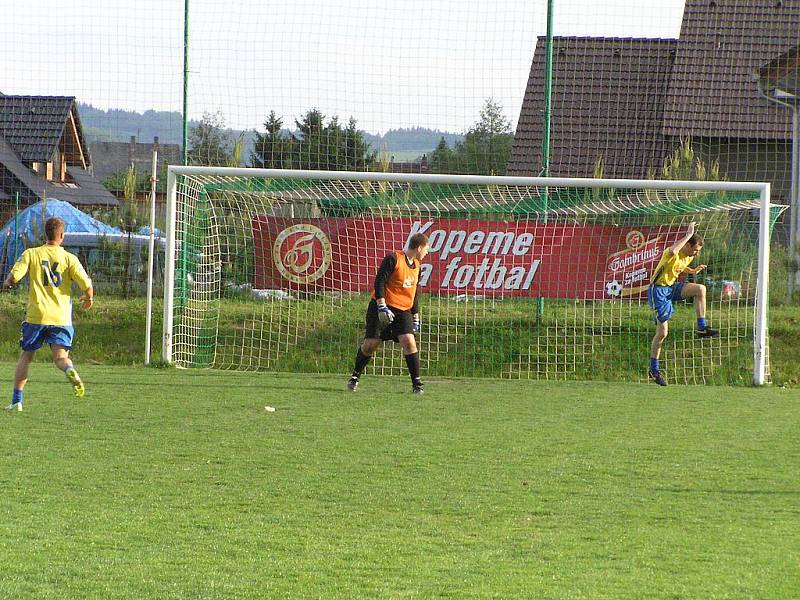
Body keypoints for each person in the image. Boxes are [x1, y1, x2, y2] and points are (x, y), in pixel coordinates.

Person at [3, 217, 94, 411]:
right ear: (62, 235)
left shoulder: (31, 254)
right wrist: (88, 298)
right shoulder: (70, 258)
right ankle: (69, 369)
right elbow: (87, 285)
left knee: (26, 357)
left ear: (46, 234)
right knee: (61, 358)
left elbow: (13, 277)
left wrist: (7, 283)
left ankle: (17, 401)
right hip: (61, 318)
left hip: (36, 316)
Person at [347, 233, 430, 395]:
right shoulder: (393, 259)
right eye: (426, 248)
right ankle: (355, 376)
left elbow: (413, 293)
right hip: (382, 306)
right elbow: (379, 282)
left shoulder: (418, 266)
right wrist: (382, 306)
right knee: (371, 344)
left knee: (409, 342)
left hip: (403, 310)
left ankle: (417, 385)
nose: (427, 252)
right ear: (419, 247)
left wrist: (416, 315)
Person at [647, 221, 718, 386]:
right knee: (663, 333)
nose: (696, 254)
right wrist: (687, 234)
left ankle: (701, 327)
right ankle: (654, 369)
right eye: (695, 249)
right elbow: (673, 251)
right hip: (657, 291)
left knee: (700, 289)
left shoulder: (688, 256)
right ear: (687, 244)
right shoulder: (671, 252)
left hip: (671, 288)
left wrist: (692, 271)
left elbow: (680, 267)